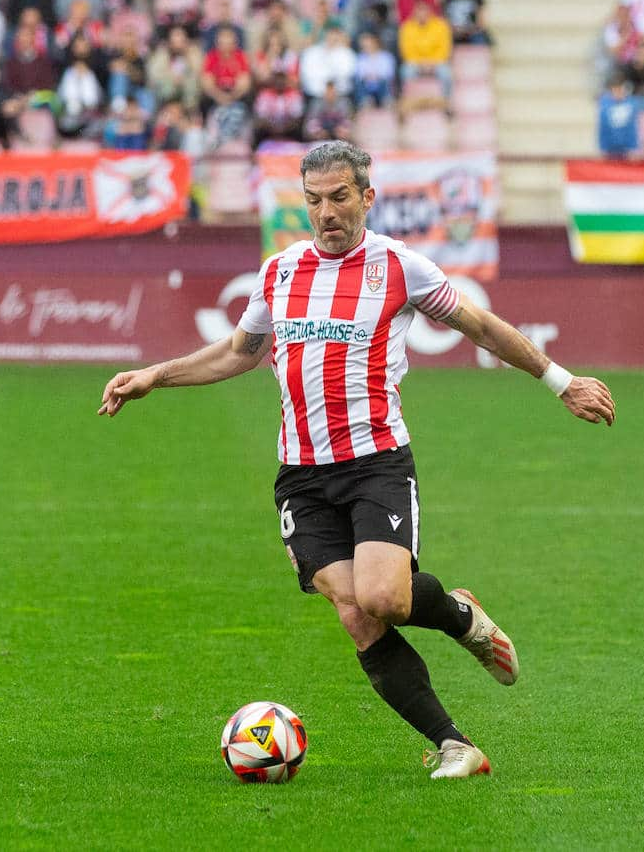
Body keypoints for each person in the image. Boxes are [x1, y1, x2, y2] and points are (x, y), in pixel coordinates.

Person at [97, 141, 616, 780]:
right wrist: (157, 374)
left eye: (339, 197)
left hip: (376, 463)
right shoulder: (280, 272)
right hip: (302, 476)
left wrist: (560, 381)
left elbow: (479, 325)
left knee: (384, 599)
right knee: (354, 612)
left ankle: (461, 617)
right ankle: (456, 745)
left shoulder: (399, 267)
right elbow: (240, 350)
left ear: (366, 196)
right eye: (314, 201)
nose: (326, 212)